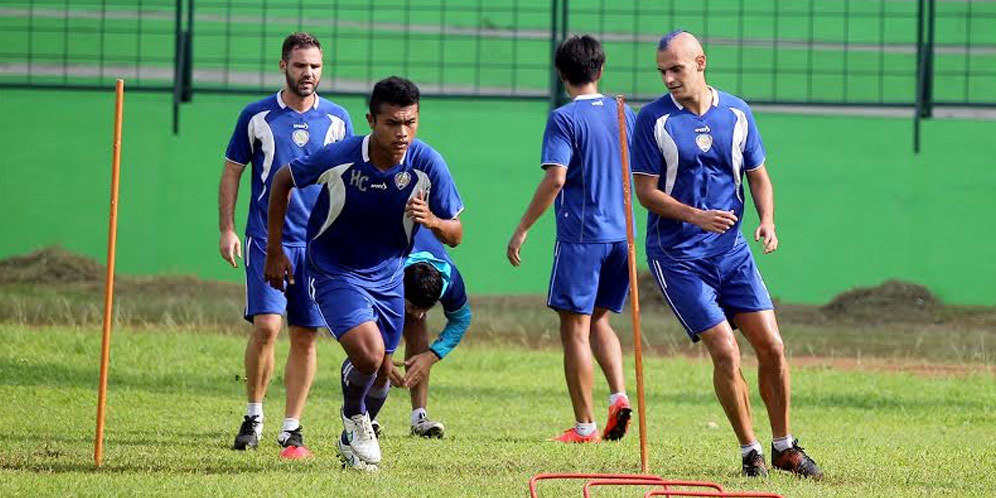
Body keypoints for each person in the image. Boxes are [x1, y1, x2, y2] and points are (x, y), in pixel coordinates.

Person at [630, 30, 823, 479]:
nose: (668, 78)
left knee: (772, 346)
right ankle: (749, 450)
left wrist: (768, 220)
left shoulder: (737, 112)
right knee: (726, 350)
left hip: (732, 252)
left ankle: (784, 447)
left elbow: (758, 175)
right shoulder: (653, 121)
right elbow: (645, 193)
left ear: (701, 62)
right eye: (662, 71)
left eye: (675, 69)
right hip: (677, 256)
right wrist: (695, 217)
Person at [264, 76, 464, 471]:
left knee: (383, 376)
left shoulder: (427, 163)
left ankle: (352, 435)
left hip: (389, 276)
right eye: (392, 123)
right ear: (371, 120)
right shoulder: (342, 156)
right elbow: (284, 180)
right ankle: (353, 418)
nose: (402, 132)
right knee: (370, 357)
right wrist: (274, 250)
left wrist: (434, 222)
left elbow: (456, 234)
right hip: (334, 269)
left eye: (410, 122)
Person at [218, 32, 352, 459]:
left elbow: (347, 181)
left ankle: (291, 428)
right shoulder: (256, 116)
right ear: (283, 66)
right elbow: (232, 172)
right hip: (266, 239)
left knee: (306, 335)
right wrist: (227, 228)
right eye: (299, 65)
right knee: (267, 327)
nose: (307, 73)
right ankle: (253, 415)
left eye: (314, 66)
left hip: (317, 246)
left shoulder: (338, 119)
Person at [507, 35, 634, 444]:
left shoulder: (564, 119)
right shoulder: (623, 112)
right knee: (600, 320)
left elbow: (556, 177)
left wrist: (523, 227)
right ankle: (618, 396)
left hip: (582, 238)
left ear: (561, 74)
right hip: (622, 236)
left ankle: (585, 427)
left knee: (575, 330)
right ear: (600, 69)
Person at [382, 228, 472, 439]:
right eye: (414, 306)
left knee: (418, 330)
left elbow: (462, 319)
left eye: (426, 309)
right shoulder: (388, 269)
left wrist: (431, 357)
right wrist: (381, 359)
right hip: (379, 255)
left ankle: (419, 418)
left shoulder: (451, 282)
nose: (420, 314)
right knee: (375, 337)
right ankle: (365, 414)